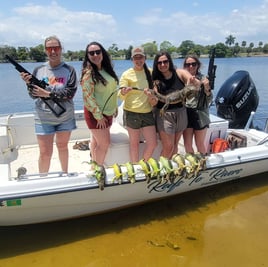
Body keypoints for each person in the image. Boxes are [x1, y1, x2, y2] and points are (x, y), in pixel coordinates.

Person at [20, 35, 78, 174]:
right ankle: (43, 180)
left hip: (65, 117)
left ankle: (65, 174)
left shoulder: (69, 70)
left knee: (63, 147)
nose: (53, 52)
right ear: (45, 50)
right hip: (43, 118)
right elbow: (33, 95)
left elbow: (70, 93)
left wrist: (48, 93)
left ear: (61, 49)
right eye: (49, 48)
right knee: (45, 153)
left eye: (56, 48)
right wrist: (28, 84)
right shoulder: (38, 70)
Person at [152, 51, 201, 159]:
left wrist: (193, 81)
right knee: (168, 147)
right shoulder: (156, 81)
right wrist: (152, 98)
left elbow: (190, 79)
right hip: (165, 114)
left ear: (169, 62)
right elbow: (155, 99)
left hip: (181, 113)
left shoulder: (179, 72)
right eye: (159, 63)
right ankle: (162, 169)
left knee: (174, 146)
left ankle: (172, 171)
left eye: (165, 61)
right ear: (156, 65)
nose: (163, 64)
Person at [80, 41, 119, 165]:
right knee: (104, 144)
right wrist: (99, 116)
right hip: (96, 115)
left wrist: (115, 107)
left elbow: (112, 90)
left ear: (103, 53)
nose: (95, 55)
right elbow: (88, 97)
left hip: (108, 112)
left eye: (98, 52)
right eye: (91, 53)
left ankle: (94, 165)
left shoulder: (107, 70)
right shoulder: (88, 73)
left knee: (96, 142)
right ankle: (98, 170)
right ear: (88, 56)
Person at [119, 47, 157, 162]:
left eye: (141, 57)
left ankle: (143, 164)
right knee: (134, 144)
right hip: (131, 113)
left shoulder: (150, 73)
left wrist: (151, 94)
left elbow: (155, 92)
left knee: (152, 143)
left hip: (147, 113)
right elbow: (120, 95)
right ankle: (136, 169)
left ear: (145, 58)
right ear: (132, 59)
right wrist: (124, 92)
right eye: (136, 57)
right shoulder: (126, 74)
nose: (138, 60)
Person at [182, 55, 212, 154]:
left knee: (199, 143)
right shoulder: (182, 80)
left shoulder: (204, 79)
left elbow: (210, 99)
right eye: (188, 64)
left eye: (193, 64)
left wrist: (207, 88)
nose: (190, 66)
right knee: (187, 144)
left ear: (198, 65)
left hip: (200, 114)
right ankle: (192, 164)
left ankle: (203, 164)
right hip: (187, 113)